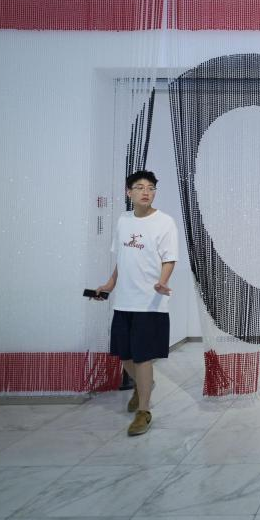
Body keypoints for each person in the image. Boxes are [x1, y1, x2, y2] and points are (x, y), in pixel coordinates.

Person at [94, 170, 179, 436]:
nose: (146, 192)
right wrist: (110, 284)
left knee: (142, 357)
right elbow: (122, 259)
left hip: (149, 302)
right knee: (124, 355)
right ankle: (145, 385)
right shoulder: (123, 221)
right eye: (140, 187)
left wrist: (162, 282)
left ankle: (144, 411)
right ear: (128, 192)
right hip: (124, 301)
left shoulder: (164, 222)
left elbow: (169, 258)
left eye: (151, 188)